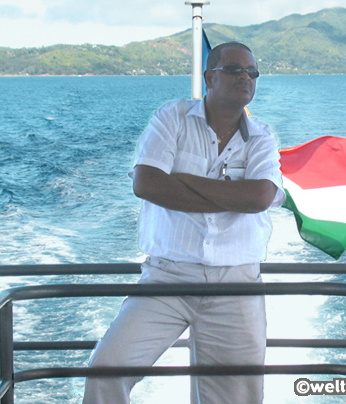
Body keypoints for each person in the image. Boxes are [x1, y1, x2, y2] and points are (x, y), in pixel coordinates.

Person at [82, 42, 285, 404]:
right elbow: (146, 183)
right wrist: (228, 194)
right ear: (210, 77)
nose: (245, 77)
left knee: (236, 397)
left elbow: (258, 199)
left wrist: (182, 179)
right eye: (235, 70)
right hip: (167, 278)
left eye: (252, 72)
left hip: (236, 283)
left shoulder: (262, 138)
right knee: (106, 370)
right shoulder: (171, 118)